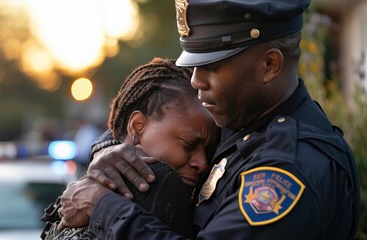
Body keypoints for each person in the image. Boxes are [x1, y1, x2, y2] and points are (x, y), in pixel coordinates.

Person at [58, 0, 361, 239]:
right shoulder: (238, 121)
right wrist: (112, 150)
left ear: (269, 65)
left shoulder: (290, 167)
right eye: (194, 64)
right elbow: (155, 117)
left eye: (212, 66)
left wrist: (103, 207)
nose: (195, 81)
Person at [41, 57, 219, 239]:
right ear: (137, 126)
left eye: (209, 150)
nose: (202, 163)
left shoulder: (93, 187)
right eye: (189, 144)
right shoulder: (160, 188)